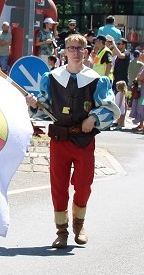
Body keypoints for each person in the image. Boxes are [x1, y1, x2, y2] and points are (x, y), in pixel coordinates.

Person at [26, 33, 120, 248]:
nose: (76, 52)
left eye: (80, 48)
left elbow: (109, 108)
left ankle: (79, 223)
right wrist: (33, 104)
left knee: (84, 184)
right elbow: (44, 109)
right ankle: (62, 231)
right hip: (60, 139)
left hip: (84, 140)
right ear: (65, 52)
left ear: (86, 52)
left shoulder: (97, 80)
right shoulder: (51, 78)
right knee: (58, 186)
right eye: (72, 48)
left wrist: (94, 117)